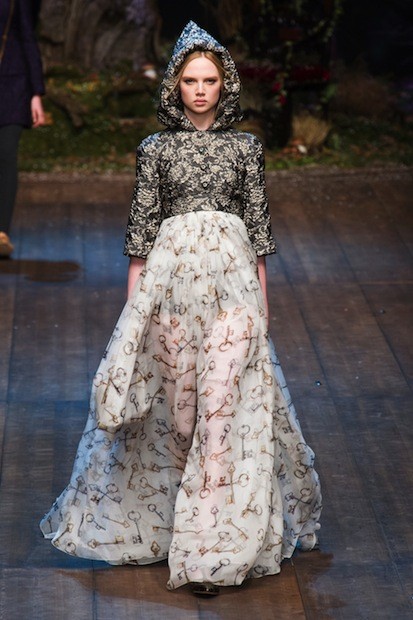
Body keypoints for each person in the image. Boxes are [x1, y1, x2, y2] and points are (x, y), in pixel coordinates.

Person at [40, 21, 322, 596]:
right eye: (190, 80)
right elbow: (140, 238)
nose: (199, 90)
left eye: (209, 80)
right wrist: (135, 318)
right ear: (175, 85)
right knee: (182, 418)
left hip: (234, 298)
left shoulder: (245, 149)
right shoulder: (155, 150)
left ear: (225, 85)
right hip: (169, 298)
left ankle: (209, 553)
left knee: (221, 415)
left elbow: (259, 237)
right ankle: (174, 527)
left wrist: (262, 311)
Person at [0, 0, 45, 258]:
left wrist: (35, 93)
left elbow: (27, 37)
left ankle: (1, 232)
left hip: (11, 85)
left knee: (6, 153)